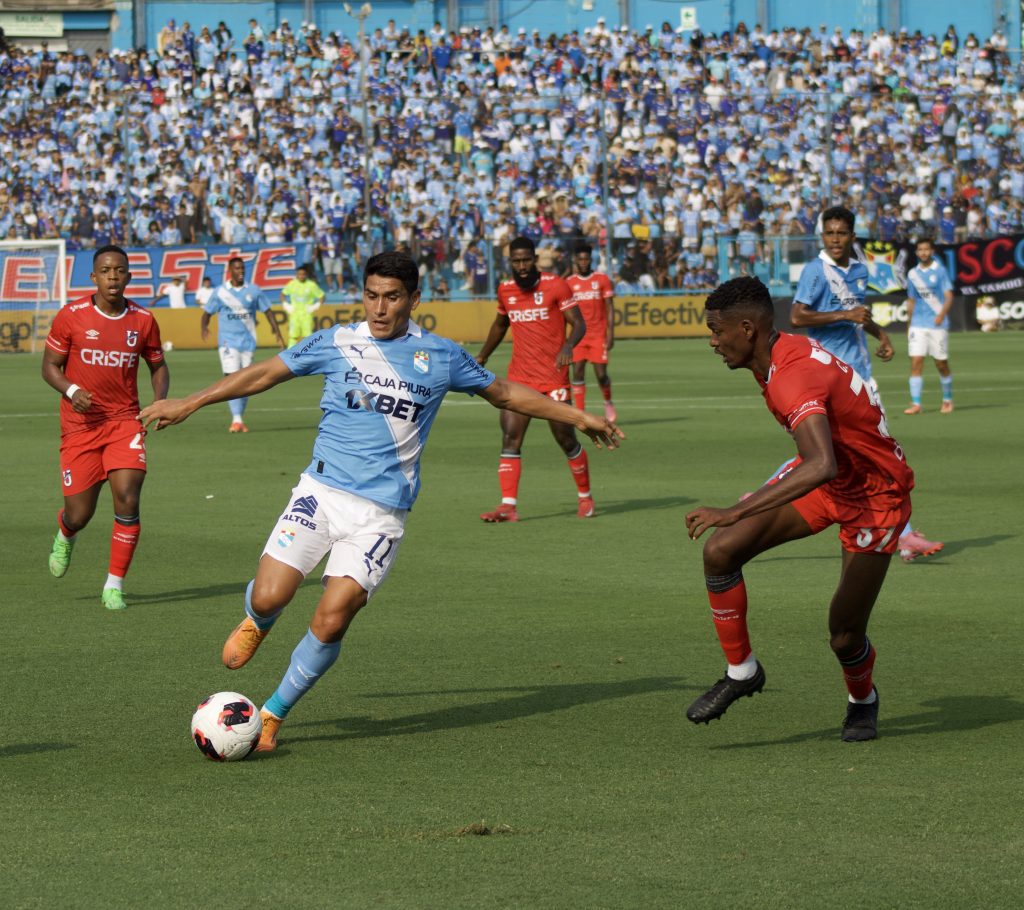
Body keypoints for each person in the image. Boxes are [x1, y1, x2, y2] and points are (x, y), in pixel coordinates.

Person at [139, 251, 621, 752]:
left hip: (381, 516)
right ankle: (259, 620)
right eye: (372, 296)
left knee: (332, 617)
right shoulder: (336, 342)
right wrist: (190, 402)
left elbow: (503, 392)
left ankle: (273, 715)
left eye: (392, 297)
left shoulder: (441, 355)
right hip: (320, 494)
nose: (380, 307)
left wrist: (578, 417)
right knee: (269, 596)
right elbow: (264, 373)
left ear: (414, 298)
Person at [685, 276, 915, 742]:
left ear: (747, 328)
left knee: (844, 635)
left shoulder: (790, 374)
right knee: (720, 552)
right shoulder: (774, 352)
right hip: (831, 480)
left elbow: (820, 463)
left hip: (874, 497)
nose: (712, 342)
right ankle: (742, 671)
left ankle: (862, 701)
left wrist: (735, 509)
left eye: (716, 331)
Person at [790, 206, 942, 562]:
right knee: (873, 451)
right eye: (830, 233)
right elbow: (797, 316)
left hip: (859, 375)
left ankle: (902, 533)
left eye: (842, 233)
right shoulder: (816, 270)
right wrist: (844, 314)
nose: (835, 239)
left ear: (852, 236)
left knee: (846, 452)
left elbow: (857, 312)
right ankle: (903, 535)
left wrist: (879, 333)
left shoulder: (859, 269)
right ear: (822, 236)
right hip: (827, 377)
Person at [41, 245, 170, 611]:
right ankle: (66, 533)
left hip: (123, 423)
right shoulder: (71, 316)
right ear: (93, 277)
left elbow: (158, 365)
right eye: (106, 270)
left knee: (128, 497)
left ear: (128, 276)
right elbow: (50, 366)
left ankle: (114, 585)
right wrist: (72, 389)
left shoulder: (143, 320)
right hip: (80, 427)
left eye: (120, 270)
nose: (113, 276)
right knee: (80, 514)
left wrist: (159, 401)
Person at [475, 236, 600, 522]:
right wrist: (482, 356)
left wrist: (569, 345)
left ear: (534, 259)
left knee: (565, 438)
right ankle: (508, 506)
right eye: (515, 261)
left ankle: (585, 497)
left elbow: (579, 323)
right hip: (519, 378)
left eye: (525, 260)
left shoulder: (556, 284)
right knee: (510, 436)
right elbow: (500, 325)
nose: (520, 266)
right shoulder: (505, 290)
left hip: (553, 378)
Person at [200, 256, 285, 433]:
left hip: (248, 342)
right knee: (232, 377)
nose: (241, 271)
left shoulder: (253, 291)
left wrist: (277, 332)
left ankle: (239, 418)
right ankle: (236, 419)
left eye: (243, 268)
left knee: (247, 381)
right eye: (237, 268)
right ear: (230, 270)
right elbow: (207, 313)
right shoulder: (220, 292)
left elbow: (268, 311)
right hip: (227, 342)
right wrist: (204, 327)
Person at [566, 242, 617, 421]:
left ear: (590, 259)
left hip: (598, 335)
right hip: (578, 337)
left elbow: (610, 308)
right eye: (580, 259)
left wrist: (611, 333)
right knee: (578, 372)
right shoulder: (569, 283)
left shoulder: (601, 279)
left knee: (601, 375)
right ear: (575, 261)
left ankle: (608, 401)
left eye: (586, 259)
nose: (584, 262)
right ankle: (581, 414)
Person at [903, 238, 955, 415]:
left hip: (937, 325)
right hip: (918, 324)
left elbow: (949, 295)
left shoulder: (939, 271)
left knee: (941, 363)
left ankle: (947, 399)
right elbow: (911, 300)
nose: (923, 252)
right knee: (916, 362)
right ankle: (916, 404)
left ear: (932, 251)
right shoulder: (912, 274)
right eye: (920, 249)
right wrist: (909, 324)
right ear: (917, 252)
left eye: (926, 249)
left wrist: (941, 315)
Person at [280, 264, 326, 346]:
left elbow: (322, 296)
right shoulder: (292, 284)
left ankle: (307, 355)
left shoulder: (311, 285)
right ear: (296, 275)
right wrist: (286, 305)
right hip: (294, 313)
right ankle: (291, 354)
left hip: (306, 314)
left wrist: (315, 306)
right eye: (299, 274)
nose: (301, 276)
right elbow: (282, 294)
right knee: (293, 336)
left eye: (303, 274)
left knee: (307, 336)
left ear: (306, 275)